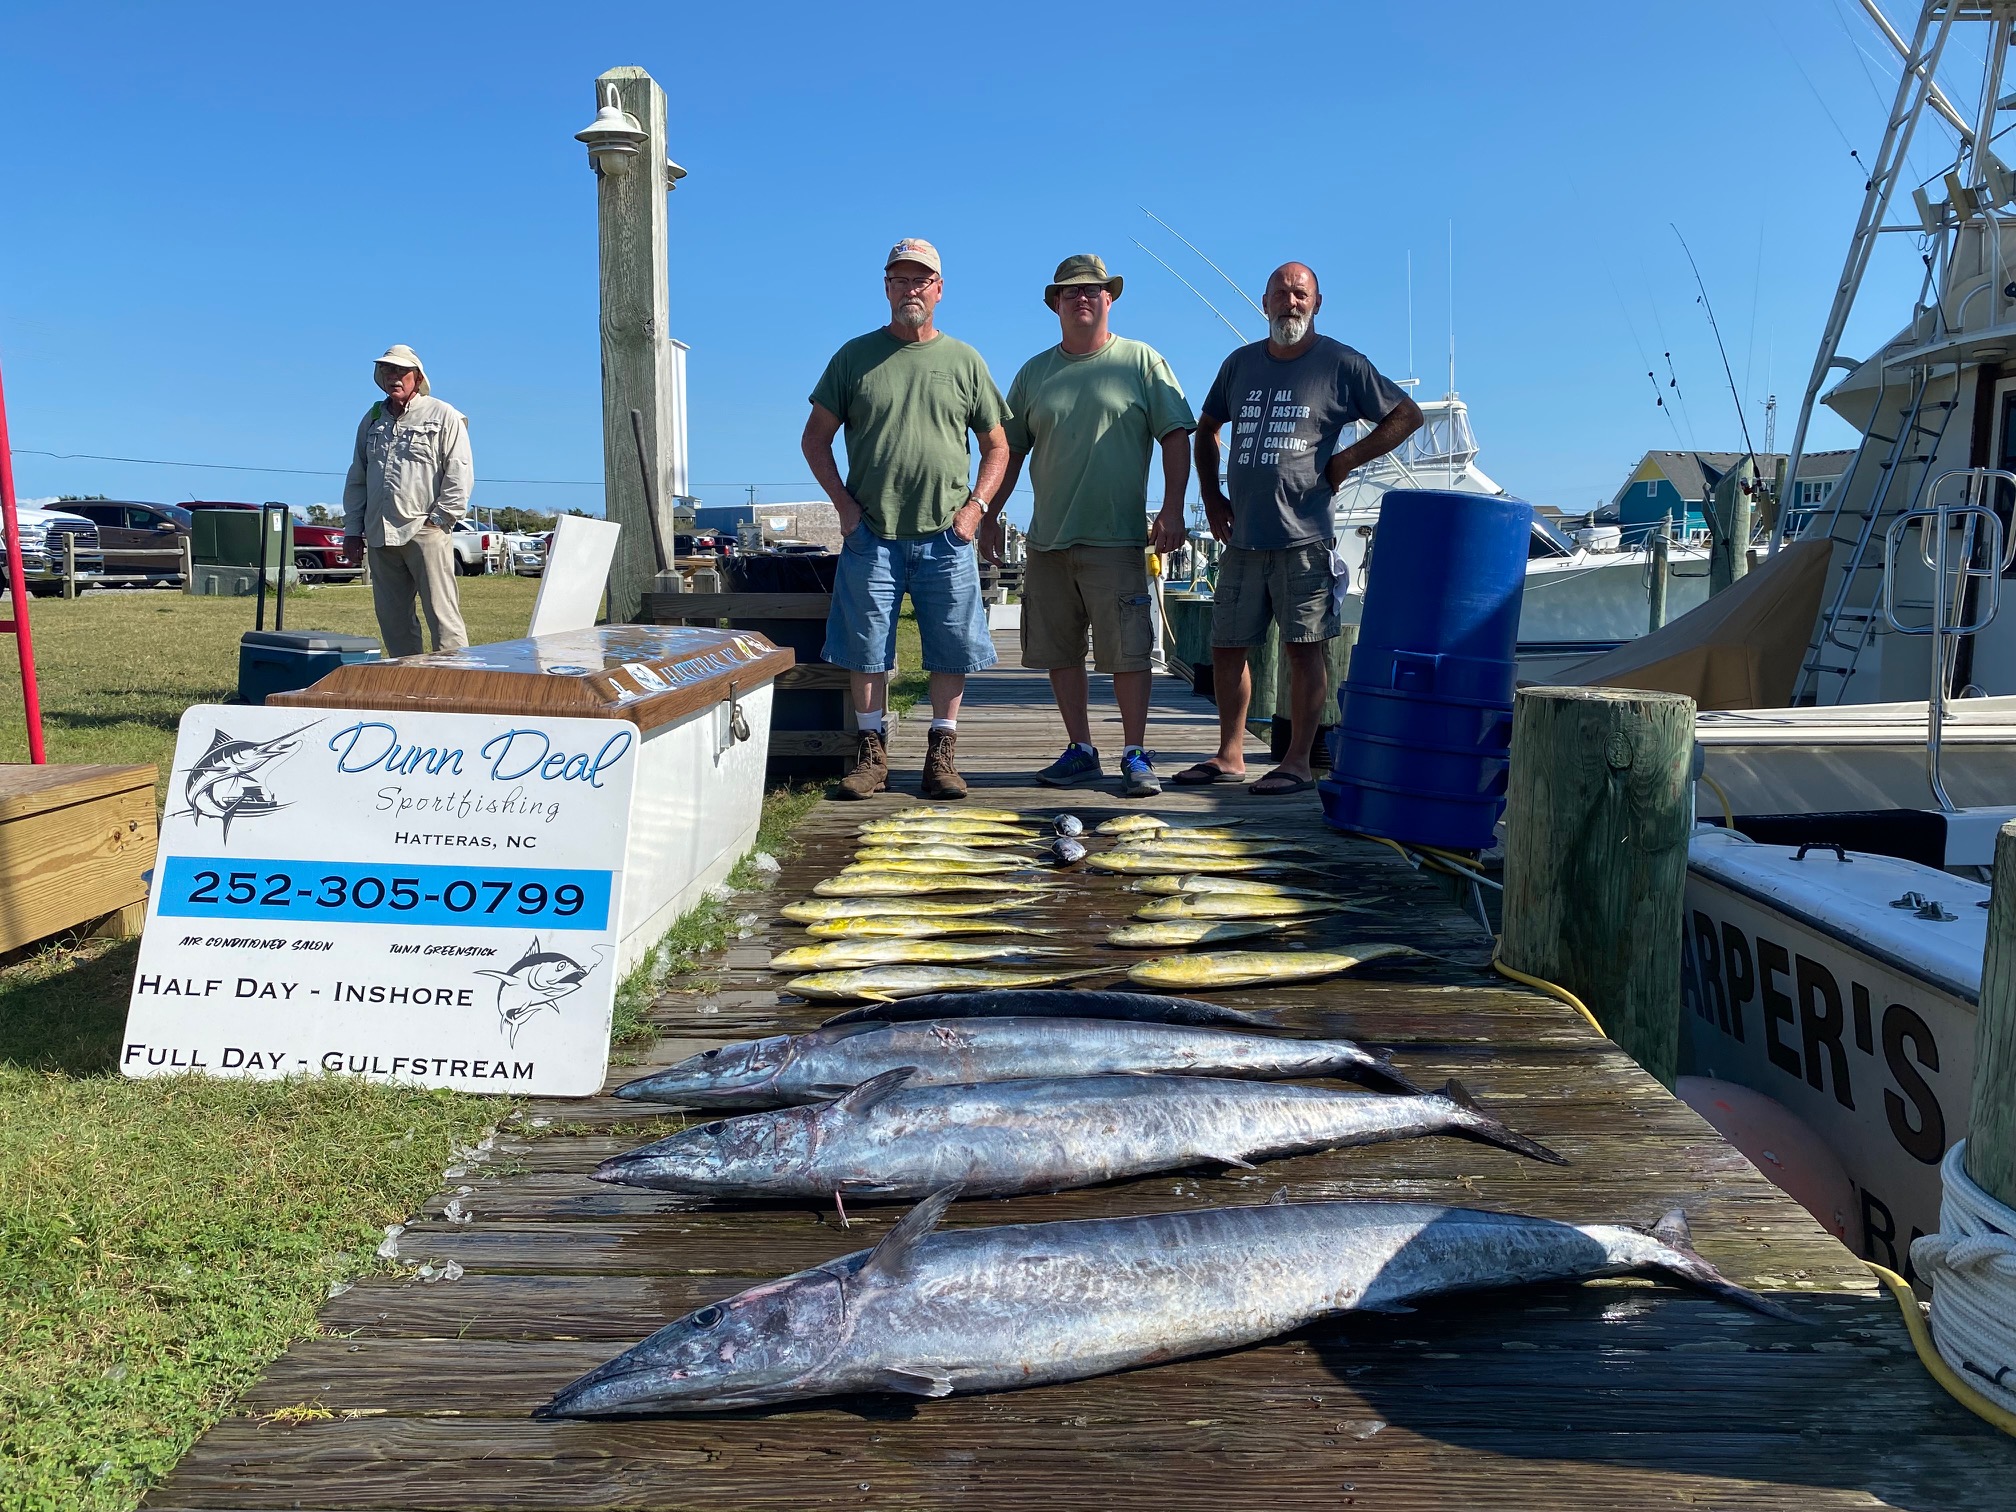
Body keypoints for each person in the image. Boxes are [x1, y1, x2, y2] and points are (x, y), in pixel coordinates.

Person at [1181, 262, 1422, 795]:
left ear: (1316, 304)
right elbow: (1207, 427)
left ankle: (1295, 762)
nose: (1291, 302)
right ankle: (1230, 754)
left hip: (1304, 539)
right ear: (1264, 302)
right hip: (1242, 538)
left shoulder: (1340, 362)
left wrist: (1346, 460)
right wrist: (1210, 494)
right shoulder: (1240, 364)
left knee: (1303, 648)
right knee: (1227, 647)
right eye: (1281, 294)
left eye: (1300, 294)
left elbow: (1406, 416)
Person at [802, 238, 1010, 800]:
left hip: (948, 533)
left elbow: (998, 446)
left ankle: (942, 755)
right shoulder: (853, 357)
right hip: (872, 532)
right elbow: (814, 439)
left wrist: (975, 510)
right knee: (865, 646)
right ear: (886, 286)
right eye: (899, 279)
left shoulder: (965, 360)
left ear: (939, 289)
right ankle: (872, 756)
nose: (910, 289)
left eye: (921, 280)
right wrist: (844, 508)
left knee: (951, 645)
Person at [984, 254, 1192, 798]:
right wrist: (987, 514)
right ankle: (1080, 749)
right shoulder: (1034, 373)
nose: (1082, 298)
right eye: (1071, 292)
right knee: (1060, 651)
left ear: (1109, 298)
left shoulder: (1142, 361)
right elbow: (1007, 449)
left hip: (1118, 539)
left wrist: (1172, 509)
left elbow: (1175, 435)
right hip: (1049, 539)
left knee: (1127, 653)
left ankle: (1135, 752)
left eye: (1093, 290)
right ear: (1055, 303)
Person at [341, 344, 471, 658]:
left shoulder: (444, 414)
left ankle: (456, 684)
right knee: (393, 619)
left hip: (425, 530)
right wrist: (351, 531)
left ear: (417, 376)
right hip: (379, 535)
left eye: (401, 371)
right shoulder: (372, 419)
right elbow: (358, 478)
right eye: (387, 369)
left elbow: (459, 471)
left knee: (442, 616)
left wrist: (440, 518)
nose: (394, 376)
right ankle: (409, 685)